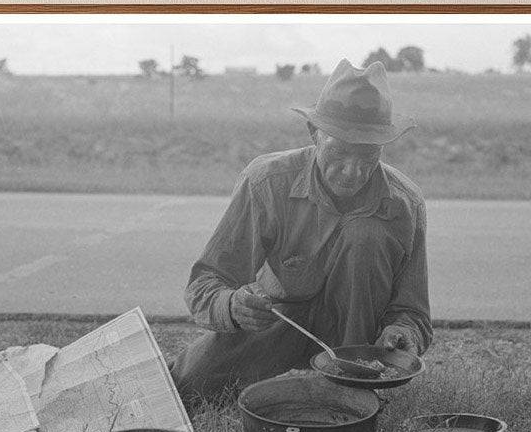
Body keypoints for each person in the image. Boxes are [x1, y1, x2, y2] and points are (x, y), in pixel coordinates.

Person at [171, 58, 432, 404]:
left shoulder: (405, 204)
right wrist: (234, 305)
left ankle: (353, 389)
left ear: (383, 147)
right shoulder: (266, 181)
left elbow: (414, 314)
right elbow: (204, 285)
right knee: (188, 384)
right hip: (277, 323)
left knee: (365, 235)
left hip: (357, 346)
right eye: (339, 152)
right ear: (314, 134)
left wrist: (403, 333)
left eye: (367, 156)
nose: (352, 172)